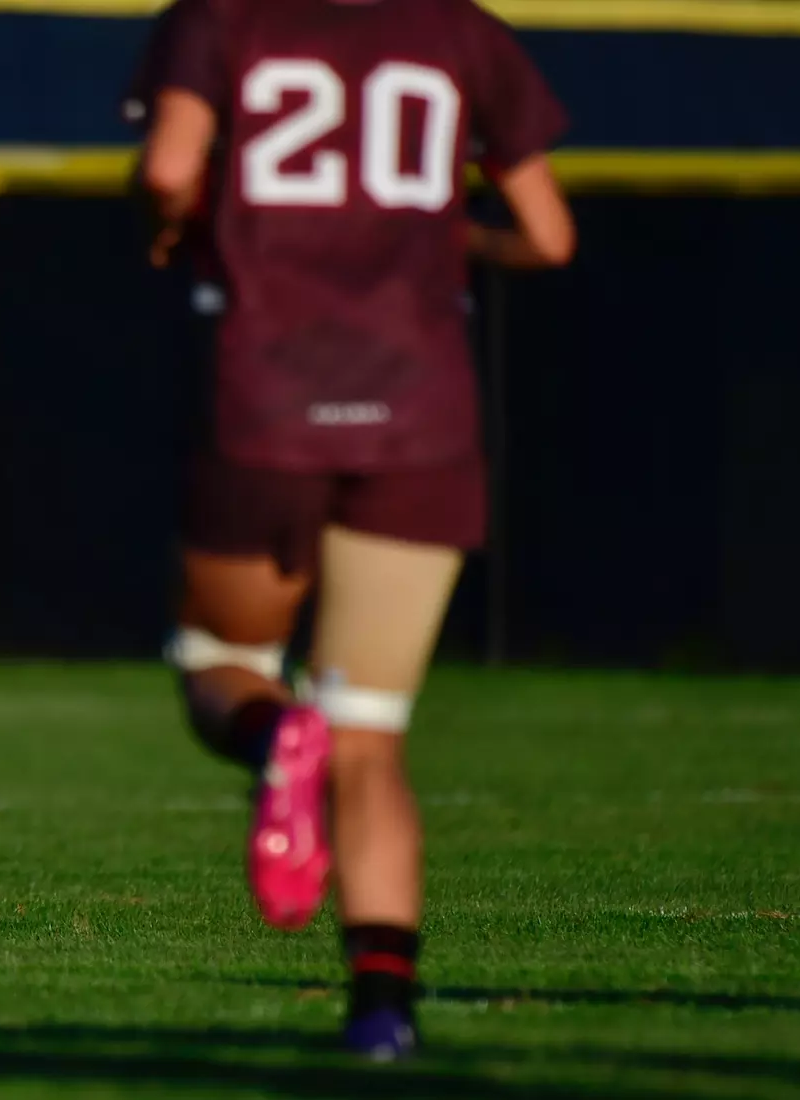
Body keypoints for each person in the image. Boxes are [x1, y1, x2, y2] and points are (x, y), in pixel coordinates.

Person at [132, 0, 576, 1060]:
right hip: (420, 412)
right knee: (371, 730)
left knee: (221, 660)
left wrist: (175, 222)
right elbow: (551, 237)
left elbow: (166, 169)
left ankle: (273, 735)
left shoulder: (220, 19)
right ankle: (382, 1008)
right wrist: (439, 235)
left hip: (268, 395)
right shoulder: (460, 31)